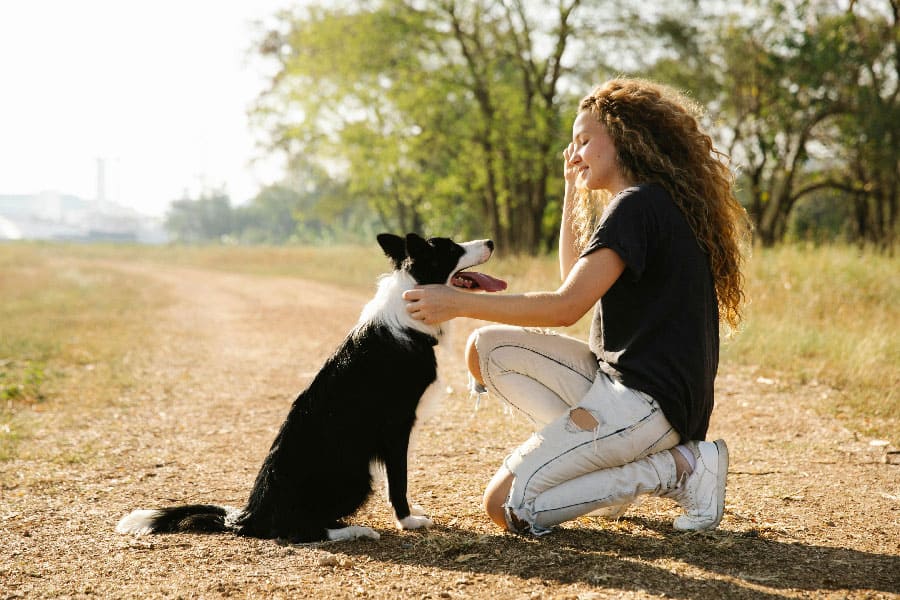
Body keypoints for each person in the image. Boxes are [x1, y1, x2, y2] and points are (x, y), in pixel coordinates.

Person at [403, 78, 750, 536]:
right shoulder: (644, 203)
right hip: (621, 387)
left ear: (624, 138)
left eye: (584, 141)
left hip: (648, 405)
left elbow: (566, 307)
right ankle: (596, 467)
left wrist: (458, 302)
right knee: (485, 351)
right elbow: (573, 282)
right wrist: (572, 189)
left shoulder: (638, 205)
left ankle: (677, 468)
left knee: (505, 506)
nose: (576, 152)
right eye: (573, 144)